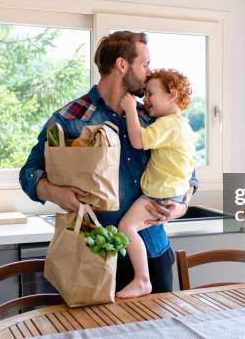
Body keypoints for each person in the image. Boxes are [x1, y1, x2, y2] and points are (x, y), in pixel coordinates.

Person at [19, 31, 197, 294]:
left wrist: (180, 207)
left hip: (154, 254)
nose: (149, 73)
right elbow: (28, 173)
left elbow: (188, 174)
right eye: (145, 64)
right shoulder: (71, 118)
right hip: (97, 259)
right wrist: (57, 193)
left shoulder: (151, 118)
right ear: (122, 65)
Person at [117, 69, 196, 298]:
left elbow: (139, 140)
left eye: (151, 93)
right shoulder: (182, 125)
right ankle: (142, 279)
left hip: (159, 195)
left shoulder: (169, 124)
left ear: (171, 95)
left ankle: (142, 279)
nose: (145, 99)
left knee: (126, 228)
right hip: (172, 193)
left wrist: (131, 109)